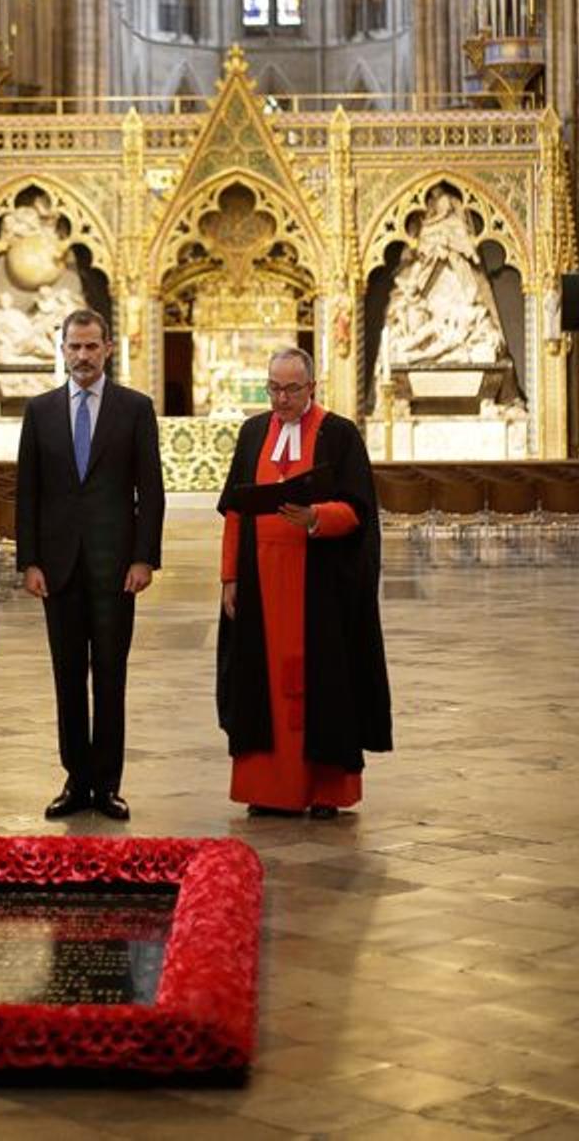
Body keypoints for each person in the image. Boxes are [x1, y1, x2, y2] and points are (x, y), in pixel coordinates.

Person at [217, 346, 391, 819]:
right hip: (259, 584)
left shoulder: (339, 434)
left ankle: (323, 790)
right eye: (273, 388)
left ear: (312, 387)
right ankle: (266, 787)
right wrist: (229, 576)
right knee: (261, 686)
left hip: (319, 587)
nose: (281, 398)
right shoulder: (253, 433)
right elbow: (234, 511)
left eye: (291, 389)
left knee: (321, 684)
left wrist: (316, 517)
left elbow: (358, 510)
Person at [16, 308, 165, 821]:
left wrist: (144, 557)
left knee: (110, 673)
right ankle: (75, 780)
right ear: (62, 350)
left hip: (115, 564)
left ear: (107, 349)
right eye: (74, 347)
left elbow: (152, 490)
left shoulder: (134, 409)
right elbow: (28, 492)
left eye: (91, 346)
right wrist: (29, 560)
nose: (82, 356)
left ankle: (108, 784)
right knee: (67, 675)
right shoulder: (39, 412)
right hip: (57, 566)